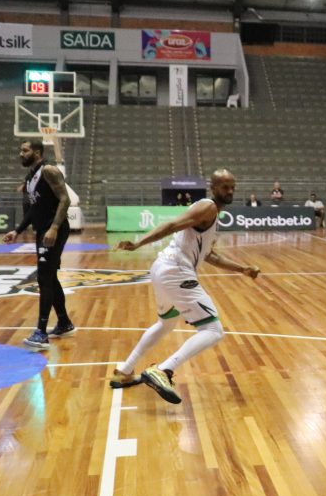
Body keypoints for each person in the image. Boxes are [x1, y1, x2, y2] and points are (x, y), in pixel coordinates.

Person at [110, 170, 260, 404]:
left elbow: (209, 255)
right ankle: (164, 370)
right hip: (176, 271)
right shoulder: (208, 207)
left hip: (164, 268)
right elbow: (172, 225)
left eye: (232, 187)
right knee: (213, 330)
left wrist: (243, 269)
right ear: (213, 187)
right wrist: (139, 243)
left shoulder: (212, 216)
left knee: (166, 323)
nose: (230, 191)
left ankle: (126, 370)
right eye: (224, 187)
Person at [1, 140, 73, 349]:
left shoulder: (49, 170)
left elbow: (65, 199)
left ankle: (41, 332)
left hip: (53, 231)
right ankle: (64, 322)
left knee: (44, 277)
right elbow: (34, 208)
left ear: (38, 152)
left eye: (25, 150)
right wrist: (17, 230)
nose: (20, 153)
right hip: (42, 230)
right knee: (49, 276)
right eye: (20, 150)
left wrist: (54, 228)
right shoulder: (30, 176)